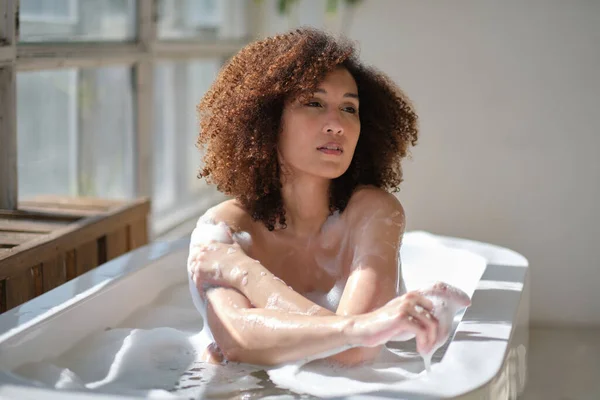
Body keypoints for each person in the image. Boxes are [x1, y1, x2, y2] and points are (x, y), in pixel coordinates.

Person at [187, 27, 439, 367]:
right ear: (268, 120)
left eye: (350, 109)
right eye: (314, 103)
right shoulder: (224, 228)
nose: (337, 124)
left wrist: (246, 274)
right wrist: (357, 329)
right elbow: (235, 340)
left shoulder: (374, 212)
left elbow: (356, 352)